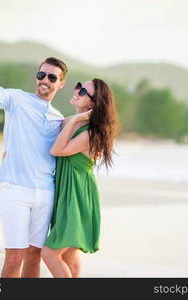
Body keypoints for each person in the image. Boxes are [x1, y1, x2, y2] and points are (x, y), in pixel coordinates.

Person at [0, 56, 67, 278]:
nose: (44, 80)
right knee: (14, 258)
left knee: (34, 255)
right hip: (16, 190)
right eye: (41, 75)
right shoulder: (17, 99)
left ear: (61, 83)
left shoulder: (59, 119)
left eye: (51, 77)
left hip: (46, 193)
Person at [41, 79, 119, 277]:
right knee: (68, 255)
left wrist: (77, 120)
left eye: (83, 91)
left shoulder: (91, 132)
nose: (77, 91)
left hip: (78, 195)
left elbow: (57, 150)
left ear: (92, 104)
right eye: (78, 85)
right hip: (66, 192)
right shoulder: (67, 122)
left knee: (50, 253)